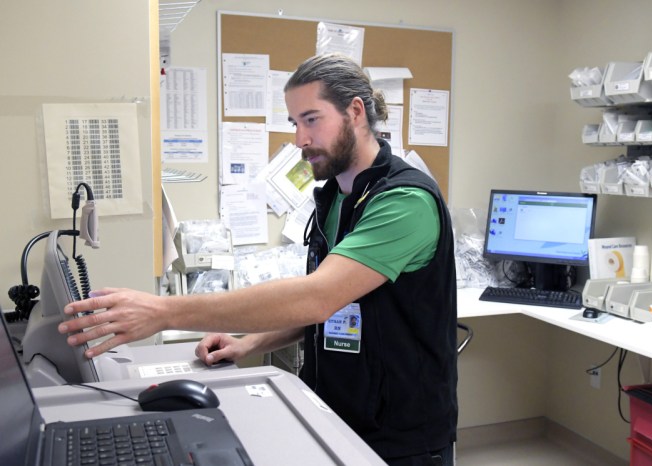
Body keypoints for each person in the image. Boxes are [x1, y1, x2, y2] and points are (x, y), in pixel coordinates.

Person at [59, 53, 458, 466]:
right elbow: (333, 307)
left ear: (355, 111)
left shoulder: (405, 201)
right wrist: (250, 342)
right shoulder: (338, 198)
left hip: (401, 437)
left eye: (311, 119)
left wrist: (162, 311)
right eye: (294, 124)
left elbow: (318, 297)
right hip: (338, 412)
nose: (300, 139)